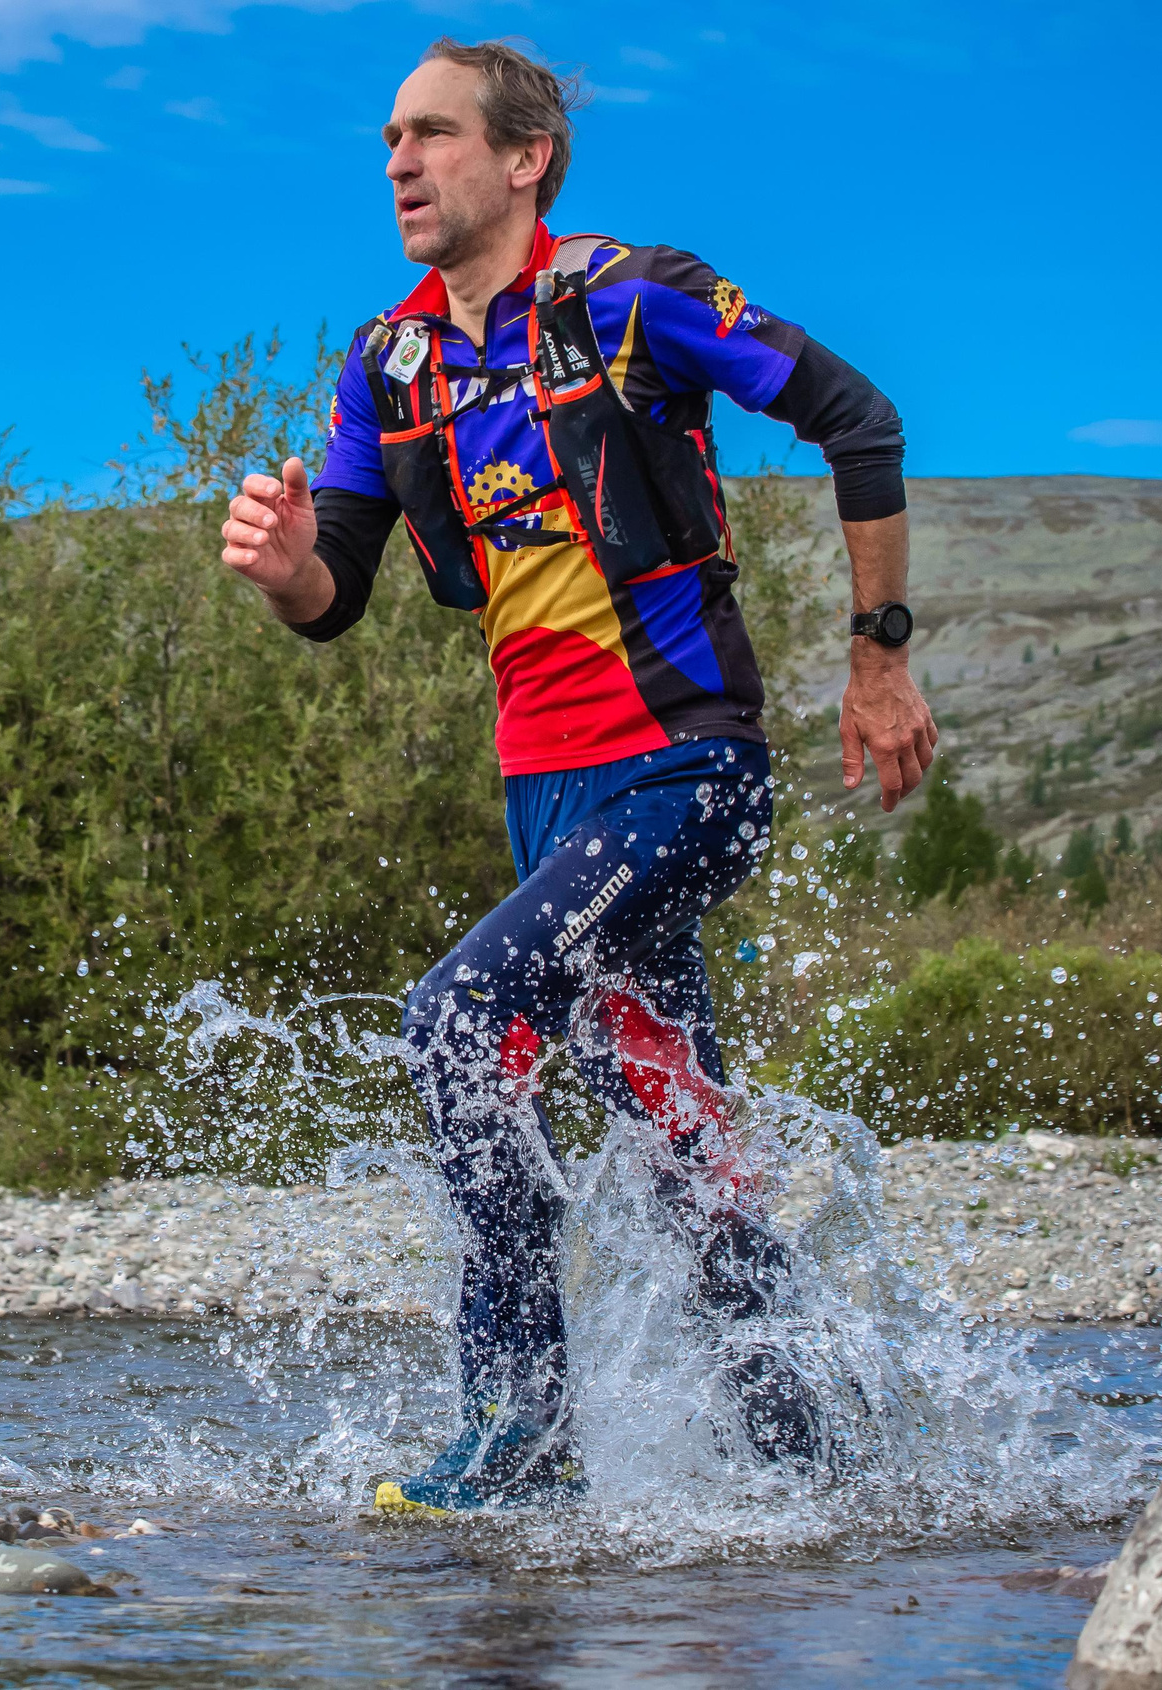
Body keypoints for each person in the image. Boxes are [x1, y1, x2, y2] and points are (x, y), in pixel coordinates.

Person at [220, 37, 938, 1512]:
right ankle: (834, 1479)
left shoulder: (633, 296)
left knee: (457, 1018)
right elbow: (336, 591)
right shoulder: (390, 363)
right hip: (544, 800)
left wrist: (878, 659)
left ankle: (522, 1433)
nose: (398, 163)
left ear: (524, 155)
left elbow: (858, 418)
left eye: (430, 135)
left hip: (685, 770)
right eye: (389, 142)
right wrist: (287, 570)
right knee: (683, 1159)